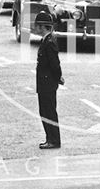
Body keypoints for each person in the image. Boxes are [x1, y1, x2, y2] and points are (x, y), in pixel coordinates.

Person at [34, 12, 63, 149]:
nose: (35, 28)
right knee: (45, 111)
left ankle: (53, 140)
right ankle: (50, 138)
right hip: (46, 83)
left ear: (42, 27)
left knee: (48, 112)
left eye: (37, 25)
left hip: (47, 83)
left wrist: (58, 78)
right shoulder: (47, 40)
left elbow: (54, 64)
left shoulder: (49, 43)